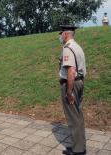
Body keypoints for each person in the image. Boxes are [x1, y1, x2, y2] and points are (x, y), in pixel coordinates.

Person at [58, 25, 87, 155]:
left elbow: (71, 70)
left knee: (73, 118)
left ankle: (78, 150)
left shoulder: (68, 48)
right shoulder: (77, 46)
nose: (60, 37)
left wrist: (69, 92)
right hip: (79, 82)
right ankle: (80, 146)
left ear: (65, 34)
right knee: (78, 116)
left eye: (61, 34)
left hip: (71, 84)